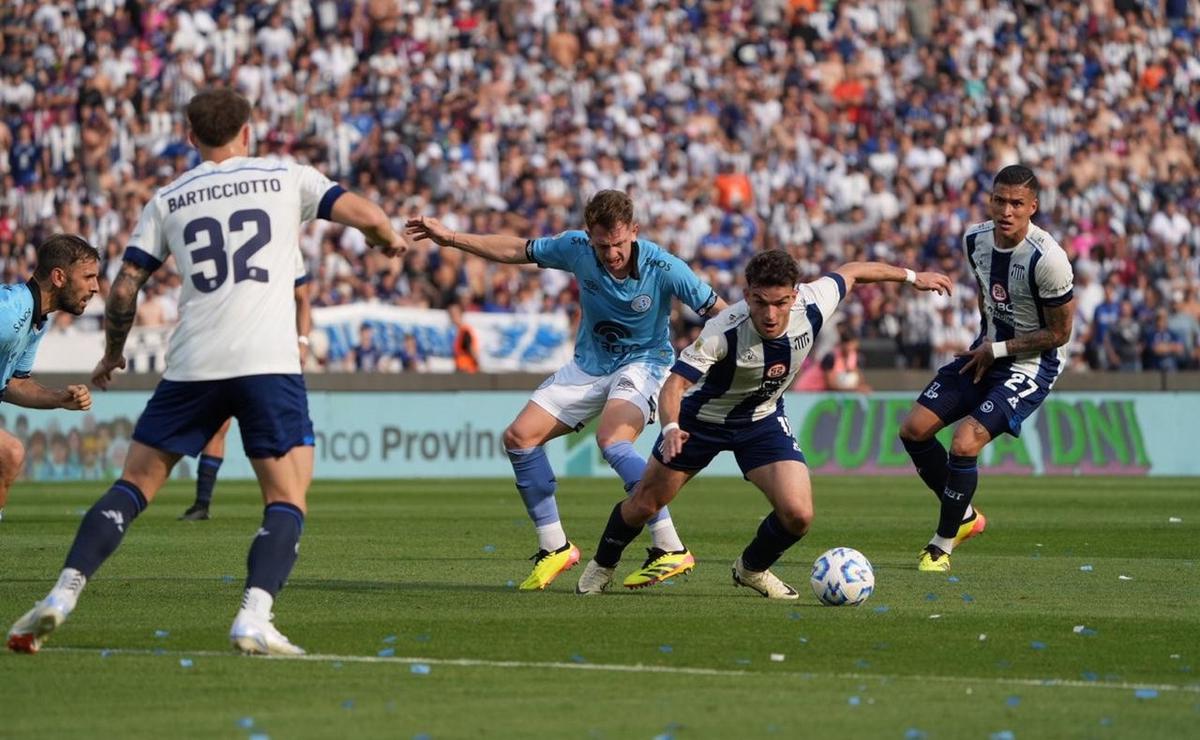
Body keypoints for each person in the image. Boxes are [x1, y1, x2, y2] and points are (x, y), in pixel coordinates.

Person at [7, 87, 405, 656]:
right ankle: (254, 615)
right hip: (268, 362)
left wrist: (112, 353)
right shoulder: (287, 175)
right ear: (248, 130)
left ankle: (64, 594)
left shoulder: (170, 197)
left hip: (194, 362)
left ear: (190, 136)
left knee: (133, 485)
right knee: (287, 495)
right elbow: (365, 214)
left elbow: (123, 289)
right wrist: (386, 238)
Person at [575, 250, 952, 597]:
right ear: (747, 294)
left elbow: (853, 272)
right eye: (760, 302)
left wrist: (910, 275)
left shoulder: (814, 300)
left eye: (780, 303)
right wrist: (671, 428)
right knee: (643, 503)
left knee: (798, 515)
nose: (770, 314)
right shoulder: (722, 330)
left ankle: (751, 568)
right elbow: (675, 385)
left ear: (794, 294)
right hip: (701, 422)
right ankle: (602, 566)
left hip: (762, 419)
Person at [405, 190, 727, 591]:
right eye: (602, 245)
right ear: (589, 236)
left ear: (635, 232)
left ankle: (669, 545)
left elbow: (721, 313)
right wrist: (451, 237)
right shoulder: (576, 248)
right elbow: (515, 250)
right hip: (588, 365)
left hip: (645, 363)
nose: (611, 255)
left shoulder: (664, 266)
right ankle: (555, 547)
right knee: (519, 439)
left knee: (612, 440)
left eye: (619, 244)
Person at [898, 165, 1075, 572]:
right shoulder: (974, 239)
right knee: (914, 430)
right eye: (1000, 200)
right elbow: (986, 295)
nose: (1007, 211)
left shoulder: (1048, 259)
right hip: (986, 352)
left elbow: (1060, 333)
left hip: (1030, 365)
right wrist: (985, 342)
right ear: (990, 201)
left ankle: (941, 544)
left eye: (1017, 203)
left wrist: (998, 348)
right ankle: (966, 516)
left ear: (1033, 207)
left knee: (964, 442)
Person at [179, 267, 312, 522]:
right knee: (218, 426)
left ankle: (287, 504)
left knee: (277, 431)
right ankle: (202, 503)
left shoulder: (285, 247)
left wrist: (303, 341)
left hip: (270, 355)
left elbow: (303, 297)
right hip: (227, 346)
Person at [0, 234, 99, 521]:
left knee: (9, 455)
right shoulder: (9, 313)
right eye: (89, 276)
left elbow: (14, 383)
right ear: (58, 277)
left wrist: (59, 399)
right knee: (9, 454)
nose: (95, 287)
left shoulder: (36, 319)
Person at [449, 302, 478, 373]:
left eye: (455, 314)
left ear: (460, 314)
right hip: (461, 369)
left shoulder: (465, 331)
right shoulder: (457, 332)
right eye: (451, 314)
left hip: (467, 369)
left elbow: (471, 350)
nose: (452, 317)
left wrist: (477, 365)